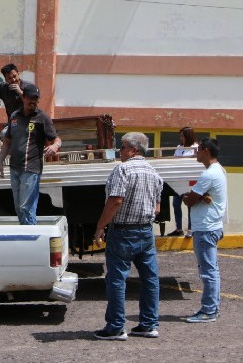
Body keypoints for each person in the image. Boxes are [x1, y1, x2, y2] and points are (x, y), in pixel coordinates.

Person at [93, 132, 163, 340]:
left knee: (116, 279)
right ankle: (149, 324)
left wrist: (100, 227)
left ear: (133, 149)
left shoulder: (123, 170)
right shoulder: (153, 172)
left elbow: (115, 201)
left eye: (122, 147)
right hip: (145, 230)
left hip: (123, 231)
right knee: (150, 279)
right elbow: (157, 208)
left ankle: (115, 327)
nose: (119, 151)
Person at [0, 85, 61, 225]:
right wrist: (0, 162)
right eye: (30, 98)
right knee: (19, 208)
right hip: (14, 168)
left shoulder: (42, 118)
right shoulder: (15, 116)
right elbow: (7, 141)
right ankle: (26, 234)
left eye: (36, 99)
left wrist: (55, 146)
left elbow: (56, 139)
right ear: (23, 97)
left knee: (27, 207)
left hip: (31, 169)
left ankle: (31, 238)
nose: (33, 101)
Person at [182, 137, 227, 323]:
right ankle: (212, 308)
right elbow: (198, 197)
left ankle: (209, 310)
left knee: (208, 271)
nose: (196, 152)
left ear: (206, 151)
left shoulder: (209, 174)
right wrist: (196, 197)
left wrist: (189, 197)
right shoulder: (219, 170)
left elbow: (190, 199)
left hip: (206, 228)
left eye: (198, 149)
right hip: (212, 226)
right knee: (211, 269)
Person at [167, 126, 198, 237]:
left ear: (187, 136)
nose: (180, 138)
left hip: (190, 180)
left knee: (189, 204)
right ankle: (179, 228)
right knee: (176, 204)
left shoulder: (196, 147)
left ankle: (190, 229)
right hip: (179, 180)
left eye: (182, 136)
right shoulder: (179, 147)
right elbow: (175, 160)